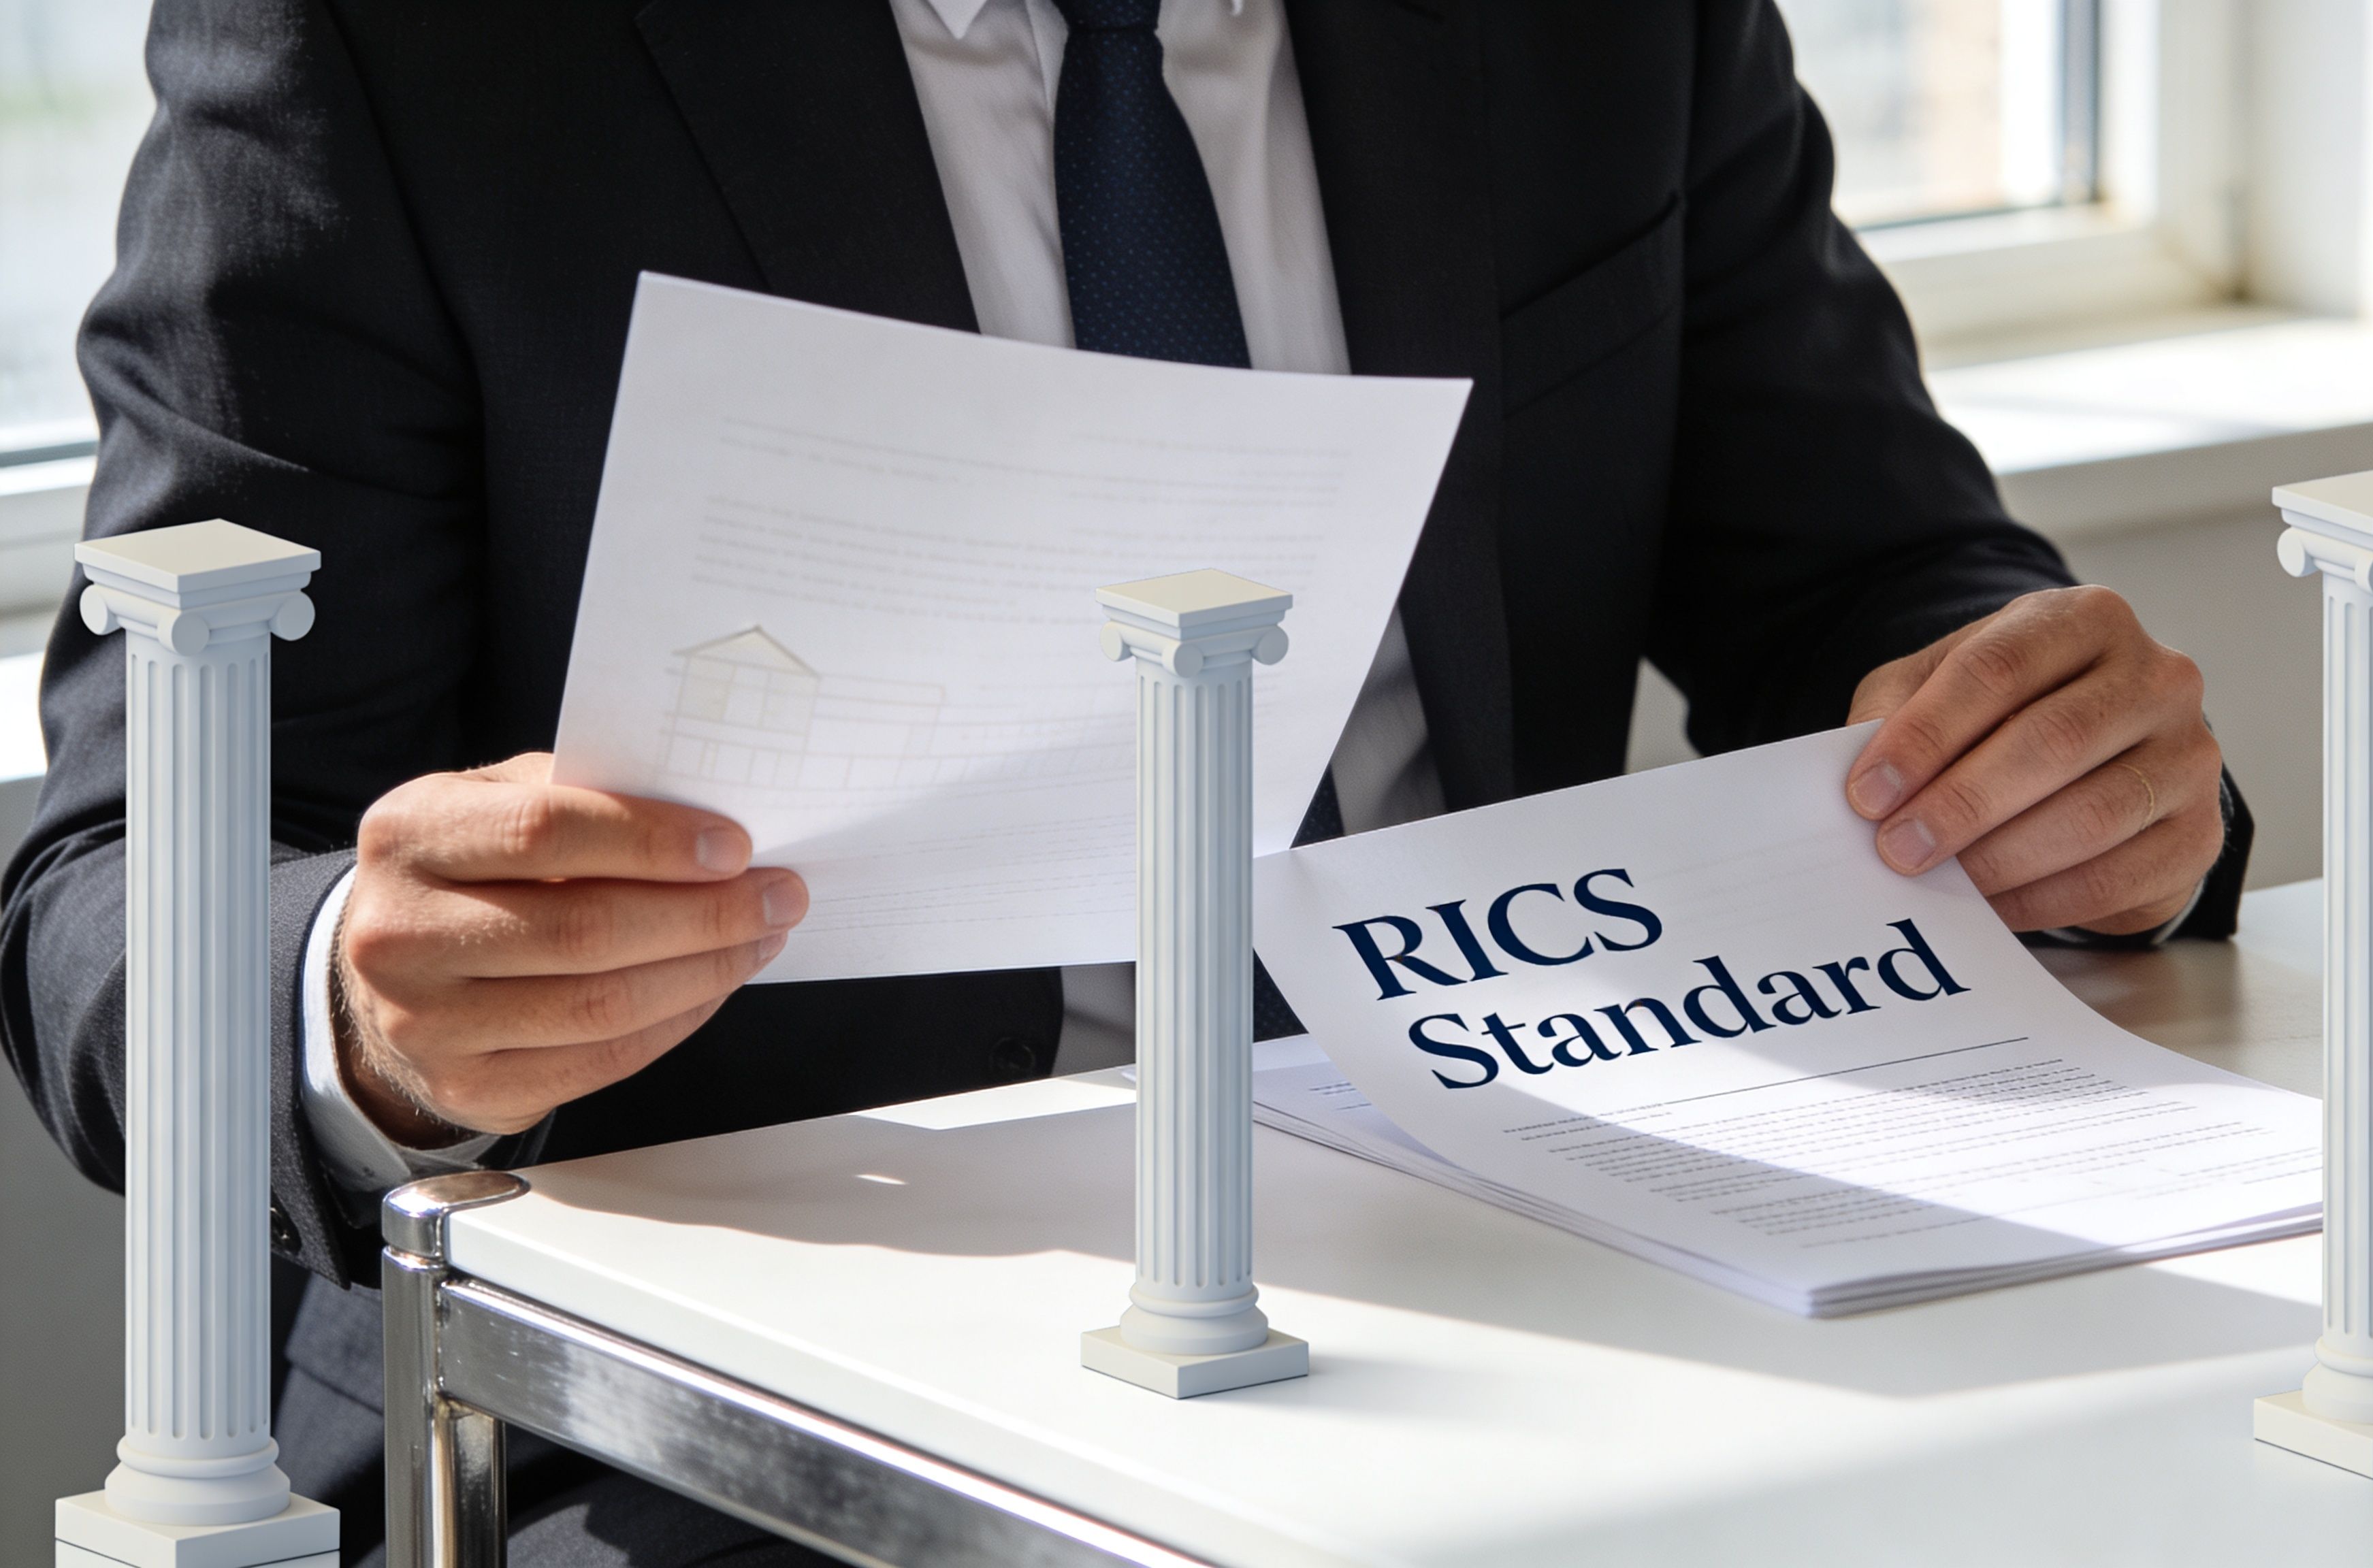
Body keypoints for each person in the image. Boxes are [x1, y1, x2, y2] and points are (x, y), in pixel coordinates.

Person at [3, 1, 2250, 1562]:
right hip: (763, 1411)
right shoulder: (410, 50)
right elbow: (117, 882)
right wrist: (364, 1004)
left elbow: (1878, 577)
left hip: (1567, 1282)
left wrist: (2067, 768)